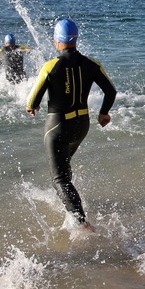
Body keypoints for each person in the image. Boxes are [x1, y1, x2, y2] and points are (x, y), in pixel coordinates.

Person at [25, 18, 117, 229]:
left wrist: (31, 108)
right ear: (75, 39)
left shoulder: (50, 66)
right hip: (81, 125)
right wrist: (103, 113)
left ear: (57, 41)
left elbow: (32, 101)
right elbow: (111, 91)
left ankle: (82, 223)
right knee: (64, 168)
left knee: (59, 179)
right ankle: (71, 204)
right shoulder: (92, 64)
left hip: (57, 127)